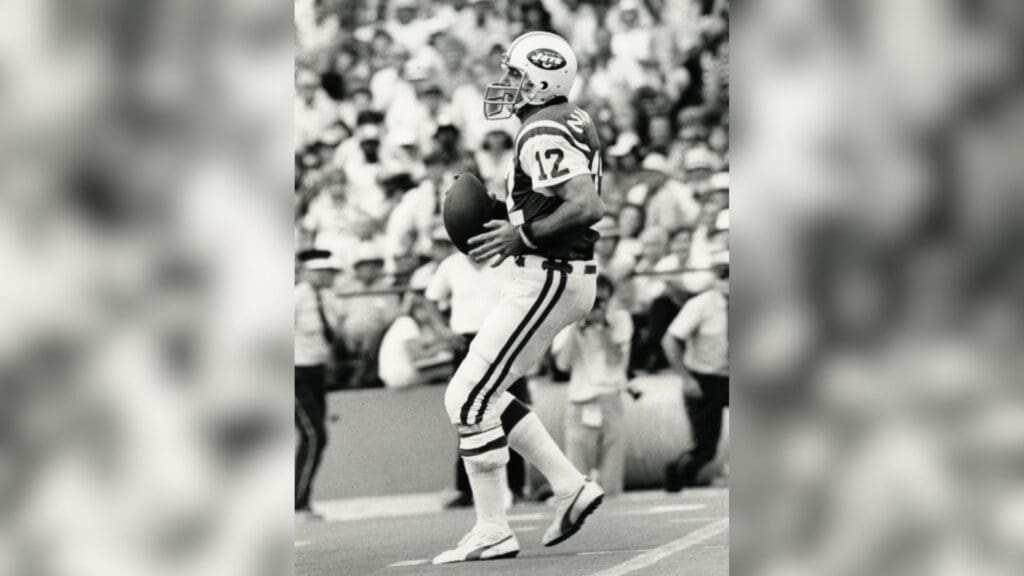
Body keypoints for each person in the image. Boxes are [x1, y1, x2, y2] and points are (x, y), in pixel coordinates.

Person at [433, 32, 605, 564]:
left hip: (550, 273)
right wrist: (511, 214)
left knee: (466, 398)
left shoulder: (542, 127)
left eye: (514, 74)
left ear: (541, 79)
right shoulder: (563, 118)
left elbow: (586, 205)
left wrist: (523, 234)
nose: (506, 82)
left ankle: (493, 528)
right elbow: (559, 199)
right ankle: (568, 486)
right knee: (481, 395)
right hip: (556, 274)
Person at [422, 245, 529, 509]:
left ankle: (516, 486)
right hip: (466, 342)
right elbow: (429, 300)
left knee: (511, 411)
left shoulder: (507, 261)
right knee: (467, 414)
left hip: (503, 340)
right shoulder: (451, 265)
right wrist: (443, 331)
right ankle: (466, 489)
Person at [552, 275, 640, 498]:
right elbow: (562, 364)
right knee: (577, 471)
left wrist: (602, 328)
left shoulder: (620, 319)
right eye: (593, 299)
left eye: (602, 300)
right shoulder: (567, 319)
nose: (597, 305)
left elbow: (616, 359)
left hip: (611, 397)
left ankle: (611, 508)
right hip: (580, 400)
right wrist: (577, 327)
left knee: (612, 470)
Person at [661, 249, 729, 492]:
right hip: (704, 377)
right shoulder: (701, 304)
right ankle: (678, 475)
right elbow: (670, 340)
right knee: (705, 449)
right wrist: (686, 378)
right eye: (724, 274)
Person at [294, 249, 340, 521]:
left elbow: (333, 333)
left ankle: (301, 500)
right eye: (322, 271)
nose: (327, 276)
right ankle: (297, 504)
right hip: (295, 371)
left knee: (313, 437)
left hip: (316, 370)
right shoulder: (296, 296)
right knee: (314, 435)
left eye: (329, 272)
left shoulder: (329, 298)